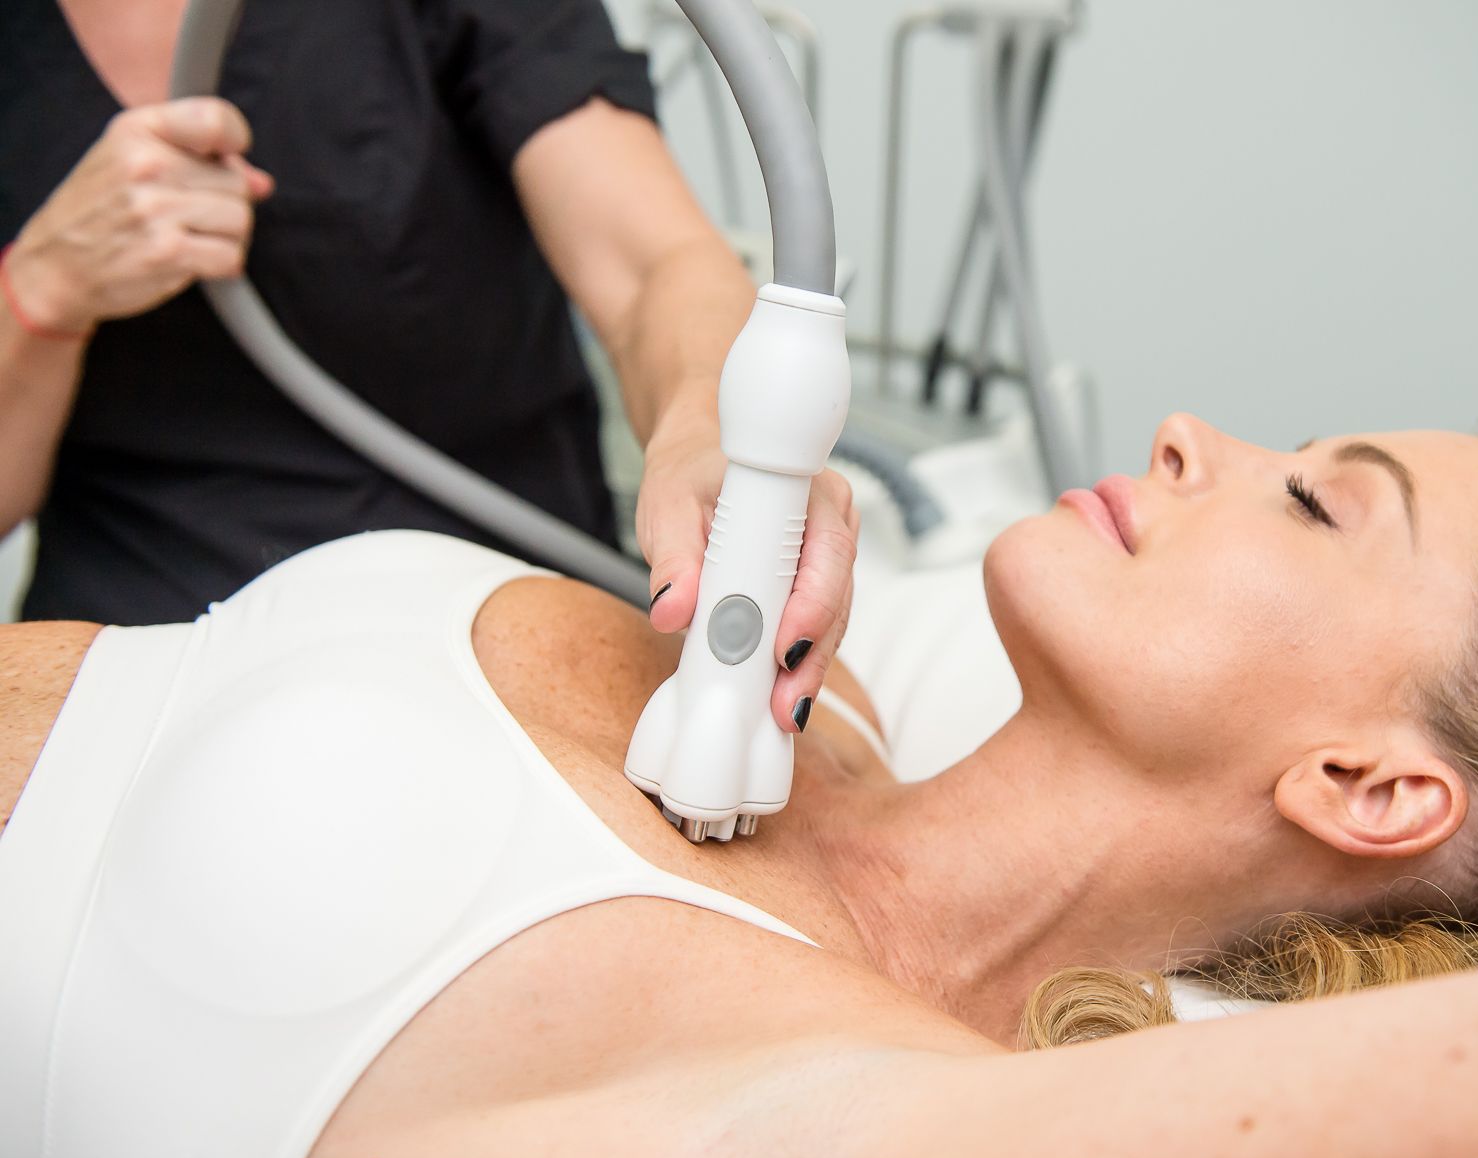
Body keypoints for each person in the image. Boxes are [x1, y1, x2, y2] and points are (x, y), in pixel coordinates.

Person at [0, 415, 1478, 1158]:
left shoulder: (864, 1114)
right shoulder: (792, 674)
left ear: (1371, 785)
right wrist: (712, 384)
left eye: (1320, 503)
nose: (1187, 435)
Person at [0, 0, 854, 733]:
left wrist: (709, 431)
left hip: (491, 631)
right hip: (137, 671)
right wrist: (38, 293)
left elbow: (651, 265)